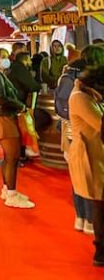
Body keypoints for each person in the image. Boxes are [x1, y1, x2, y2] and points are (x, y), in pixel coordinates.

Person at [60, 45, 104, 234]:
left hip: (74, 133)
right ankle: (88, 220)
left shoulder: (70, 78)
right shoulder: (80, 90)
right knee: (89, 182)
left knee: (81, 181)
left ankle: (83, 218)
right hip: (81, 137)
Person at [0, 47, 35, 209]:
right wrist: (19, 105)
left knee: (9, 156)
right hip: (2, 117)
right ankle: (11, 193)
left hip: (4, 116)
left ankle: (7, 189)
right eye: (3, 57)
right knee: (13, 156)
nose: (7, 60)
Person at [67, 65, 104, 266]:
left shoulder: (87, 94)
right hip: (89, 154)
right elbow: (100, 124)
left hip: (96, 151)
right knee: (99, 200)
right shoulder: (79, 97)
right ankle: (101, 250)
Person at [8, 51, 42, 160]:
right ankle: (20, 154)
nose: (30, 61)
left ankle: (20, 153)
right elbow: (31, 85)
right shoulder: (20, 69)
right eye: (28, 59)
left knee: (19, 128)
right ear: (24, 59)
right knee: (21, 128)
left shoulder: (14, 67)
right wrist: (39, 86)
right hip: (17, 101)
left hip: (13, 100)